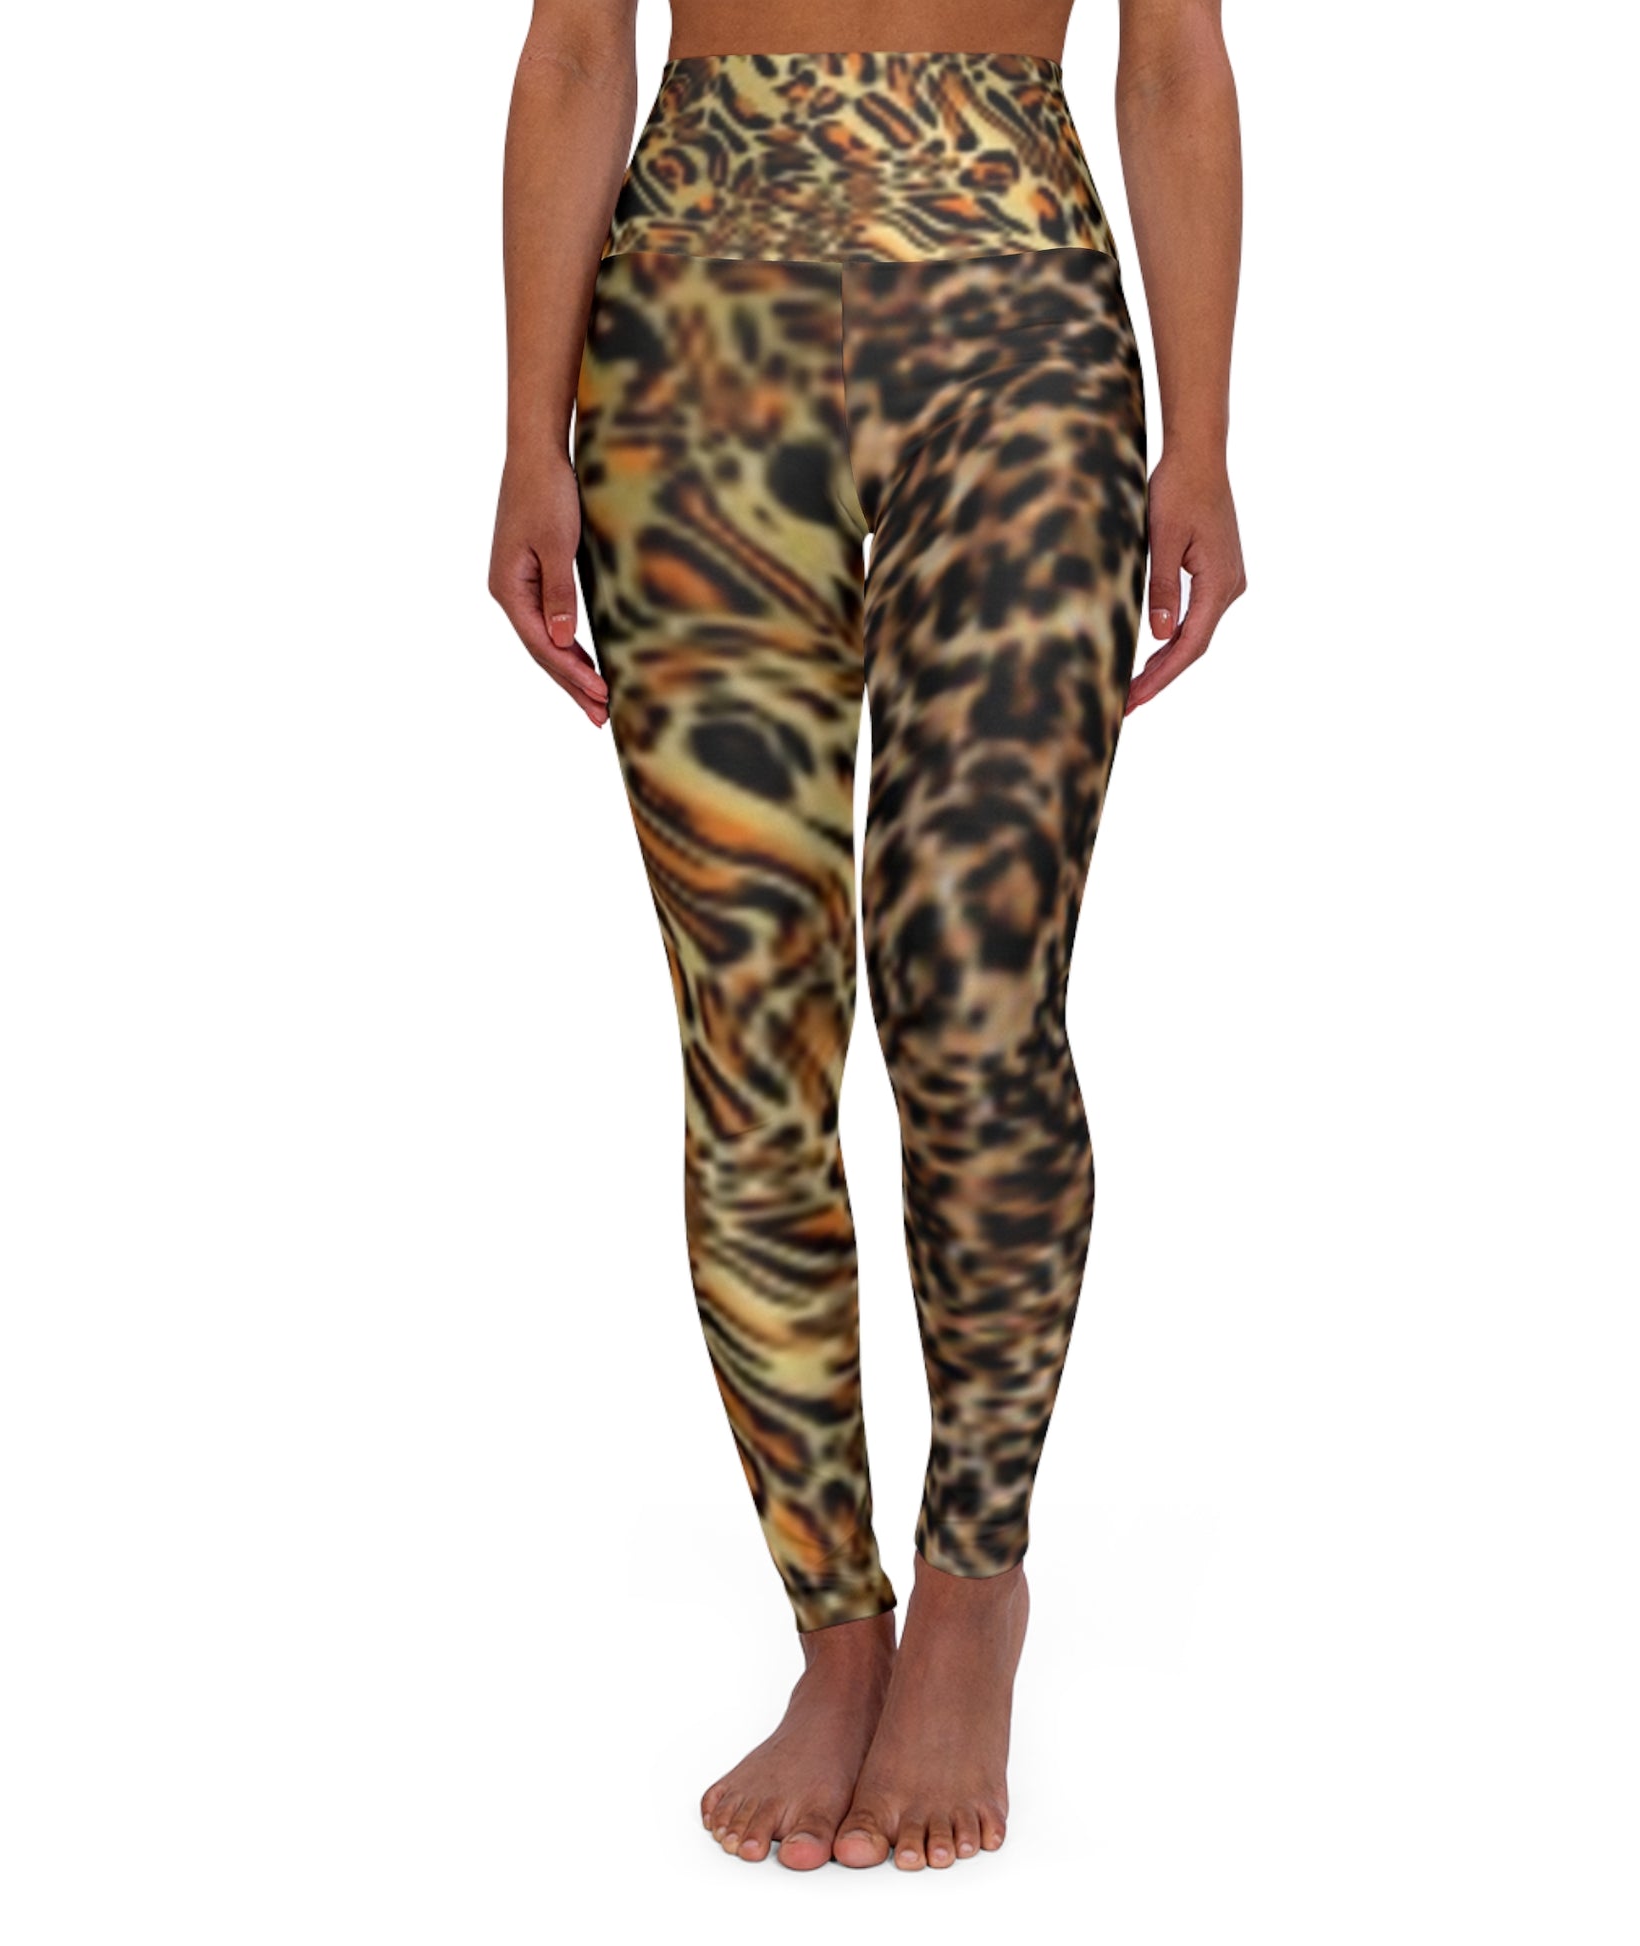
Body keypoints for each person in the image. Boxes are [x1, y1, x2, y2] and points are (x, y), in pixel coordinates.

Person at [487, 0, 1244, 1873]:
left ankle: (972, 1588)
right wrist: (523, 434)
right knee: (748, 1029)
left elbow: (1168, 56)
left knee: (977, 1004)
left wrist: (1203, 440)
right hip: (689, 347)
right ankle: (835, 1625)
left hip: (1021, 343)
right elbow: (575, 47)